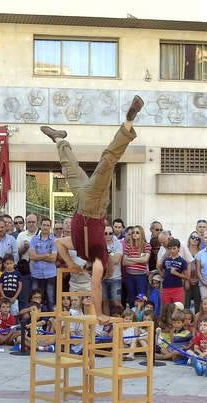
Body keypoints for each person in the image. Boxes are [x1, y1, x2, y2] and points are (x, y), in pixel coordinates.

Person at [48, 95, 144, 320]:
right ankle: (125, 125)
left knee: (86, 164)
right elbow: (95, 286)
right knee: (96, 163)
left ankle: (61, 140)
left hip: (85, 203)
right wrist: (99, 313)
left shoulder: (86, 253)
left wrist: (72, 264)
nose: (98, 273)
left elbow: (59, 243)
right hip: (90, 203)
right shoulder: (95, 255)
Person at [29, 217, 57, 311]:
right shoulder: (34, 239)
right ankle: (34, 319)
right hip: (36, 273)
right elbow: (32, 257)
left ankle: (50, 320)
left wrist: (39, 256)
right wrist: (47, 255)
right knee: (35, 298)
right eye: (44, 225)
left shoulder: (54, 240)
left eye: (48, 225)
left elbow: (53, 258)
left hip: (50, 274)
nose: (45, 227)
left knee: (51, 298)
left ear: (50, 227)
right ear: (40, 226)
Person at [158, 238, 189, 306]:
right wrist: (158, 268)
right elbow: (163, 275)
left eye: (174, 248)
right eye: (170, 248)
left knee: (178, 310)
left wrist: (176, 273)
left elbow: (187, 277)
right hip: (166, 289)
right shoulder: (166, 260)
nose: (172, 251)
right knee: (166, 310)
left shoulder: (182, 261)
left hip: (177, 289)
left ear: (178, 248)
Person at [102, 225, 123, 315]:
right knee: (105, 302)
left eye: (110, 233)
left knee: (116, 303)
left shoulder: (117, 243)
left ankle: (121, 322)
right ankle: (107, 324)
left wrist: (104, 256)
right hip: (102, 278)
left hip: (116, 278)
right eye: (105, 233)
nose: (108, 235)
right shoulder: (99, 243)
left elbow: (116, 260)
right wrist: (111, 255)